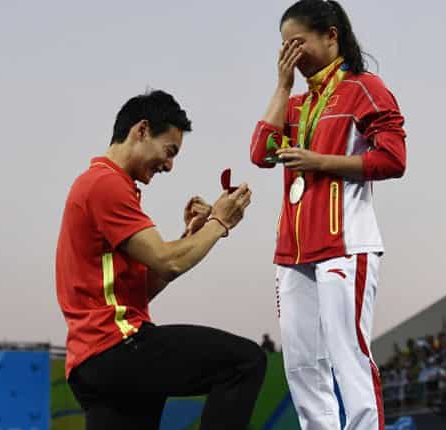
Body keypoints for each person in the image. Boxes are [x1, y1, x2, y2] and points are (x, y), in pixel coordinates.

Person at [56, 90, 265, 429]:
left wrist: (189, 236)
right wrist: (219, 223)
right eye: (170, 151)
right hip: (118, 345)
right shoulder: (106, 184)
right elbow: (168, 261)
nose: (169, 165)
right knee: (245, 363)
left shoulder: (98, 185)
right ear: (141, 130)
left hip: (94, 363)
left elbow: (146, 285)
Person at [249, 1, 407, 428]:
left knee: (348, 356)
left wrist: (322, 162)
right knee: (301, 366)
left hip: (345, 243)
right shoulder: (297, 104)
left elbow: (394, 159)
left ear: (331, 35)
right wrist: (281, 87)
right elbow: (260, 155)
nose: (291, 55)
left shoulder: (364, 88)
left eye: (297, 43)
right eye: (283, 47)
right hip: (293, 251)